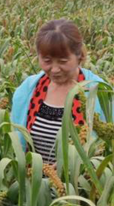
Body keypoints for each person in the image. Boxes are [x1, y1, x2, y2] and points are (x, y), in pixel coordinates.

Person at [11, 19, 106, 164]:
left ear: (79, 56)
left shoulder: (99, 94)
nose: (54, 70)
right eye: (47, 61)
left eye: (62, 61)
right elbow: (16, 143)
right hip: (33, 182)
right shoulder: (28, 89)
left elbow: (104, 151)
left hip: (80, 184)